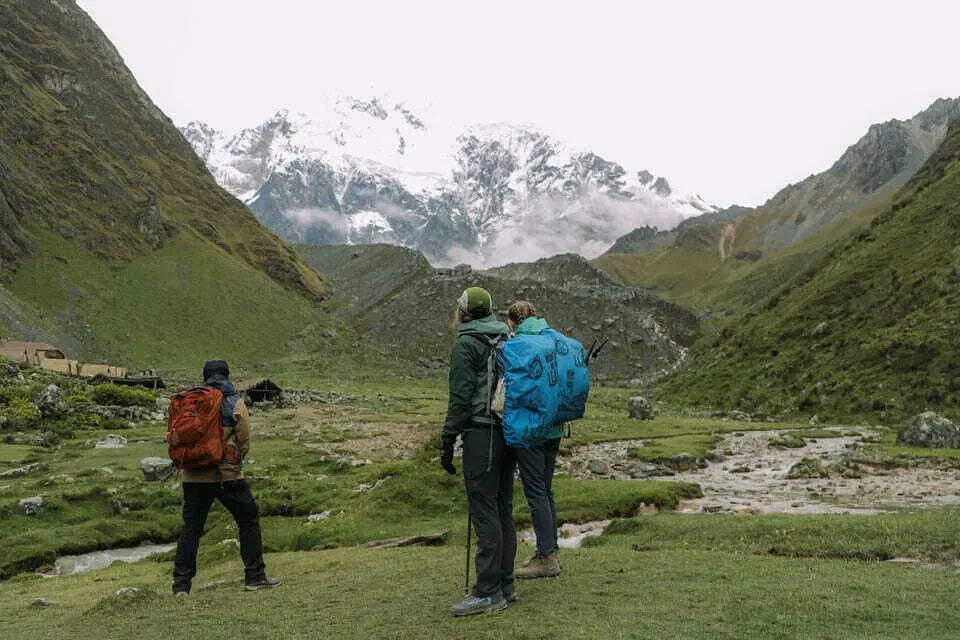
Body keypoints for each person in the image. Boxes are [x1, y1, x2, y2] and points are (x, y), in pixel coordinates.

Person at [171, 359, 282, 595]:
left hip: (192, 477)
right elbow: (244, 439)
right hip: (227, 476)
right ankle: (255, 576)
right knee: (248, 519)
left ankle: (181, 585)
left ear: (204, 377)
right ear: (227, 376)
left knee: (191, 528)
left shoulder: (190, 401)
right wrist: (235, 462)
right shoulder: (234, 401)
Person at [439, 287, 517, 616]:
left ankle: (487, 592)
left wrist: (447, 439)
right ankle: (506, 583)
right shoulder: (506, 338)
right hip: (507, 432)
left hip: (480, 434)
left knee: (484, 511)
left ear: (465, 313)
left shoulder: (466, 344)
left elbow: (460, 396)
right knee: (502, 508)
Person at [507, 301, 563, 579]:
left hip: (531, 429)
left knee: (536, 492)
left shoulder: (520, 343)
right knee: (546, 490)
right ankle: (552, 550)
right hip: (554, 427)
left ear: (512, 322)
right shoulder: (551, 337)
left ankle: (545, 557)